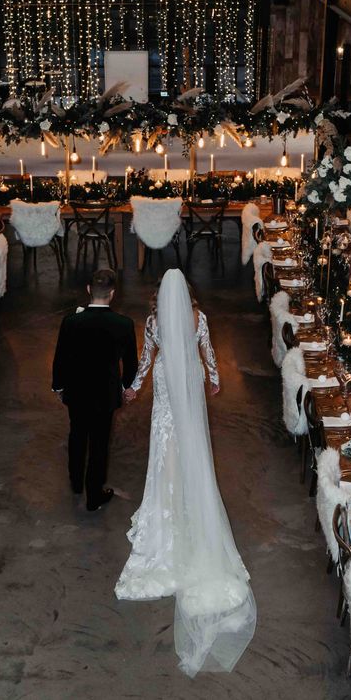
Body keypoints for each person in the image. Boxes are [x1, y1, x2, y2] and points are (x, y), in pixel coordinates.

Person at [115, 269, 256, 677]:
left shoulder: (156, 321)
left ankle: (167, 495)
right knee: (191, 436)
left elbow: (146, 359)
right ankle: (193, 495)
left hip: (164, 382)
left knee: (165, 443)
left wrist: (135, 388)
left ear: (161, 295)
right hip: (188, 378)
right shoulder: (200, 318)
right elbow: (208, 353)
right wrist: (212, 379)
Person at [52, 268, 138, 511]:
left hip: (77, 390)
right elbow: (131, 363)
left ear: (88, 290)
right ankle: (93, 495)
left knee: (77, 434)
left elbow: (61, 359)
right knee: (100, 443)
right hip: (105, 392)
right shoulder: (124, 324)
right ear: (112, 293)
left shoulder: (71, 322)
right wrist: (126, 386)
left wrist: (58, 386)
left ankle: (76, 482)